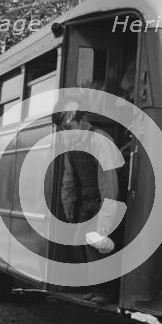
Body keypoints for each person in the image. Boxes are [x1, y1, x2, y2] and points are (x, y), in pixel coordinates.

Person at [52, 98, 120, 305]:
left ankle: (107, 291)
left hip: (101, 202)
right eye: (63, 129)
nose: (67, 132)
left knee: (97, 247)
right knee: (78, 244)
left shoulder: (100, 140)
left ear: (82, 120)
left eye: (68, 127)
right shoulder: (72, 145)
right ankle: (94, 287)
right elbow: (69, 179)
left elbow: (108, 181)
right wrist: (69, 205)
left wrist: (105, 219)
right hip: (84, 203)